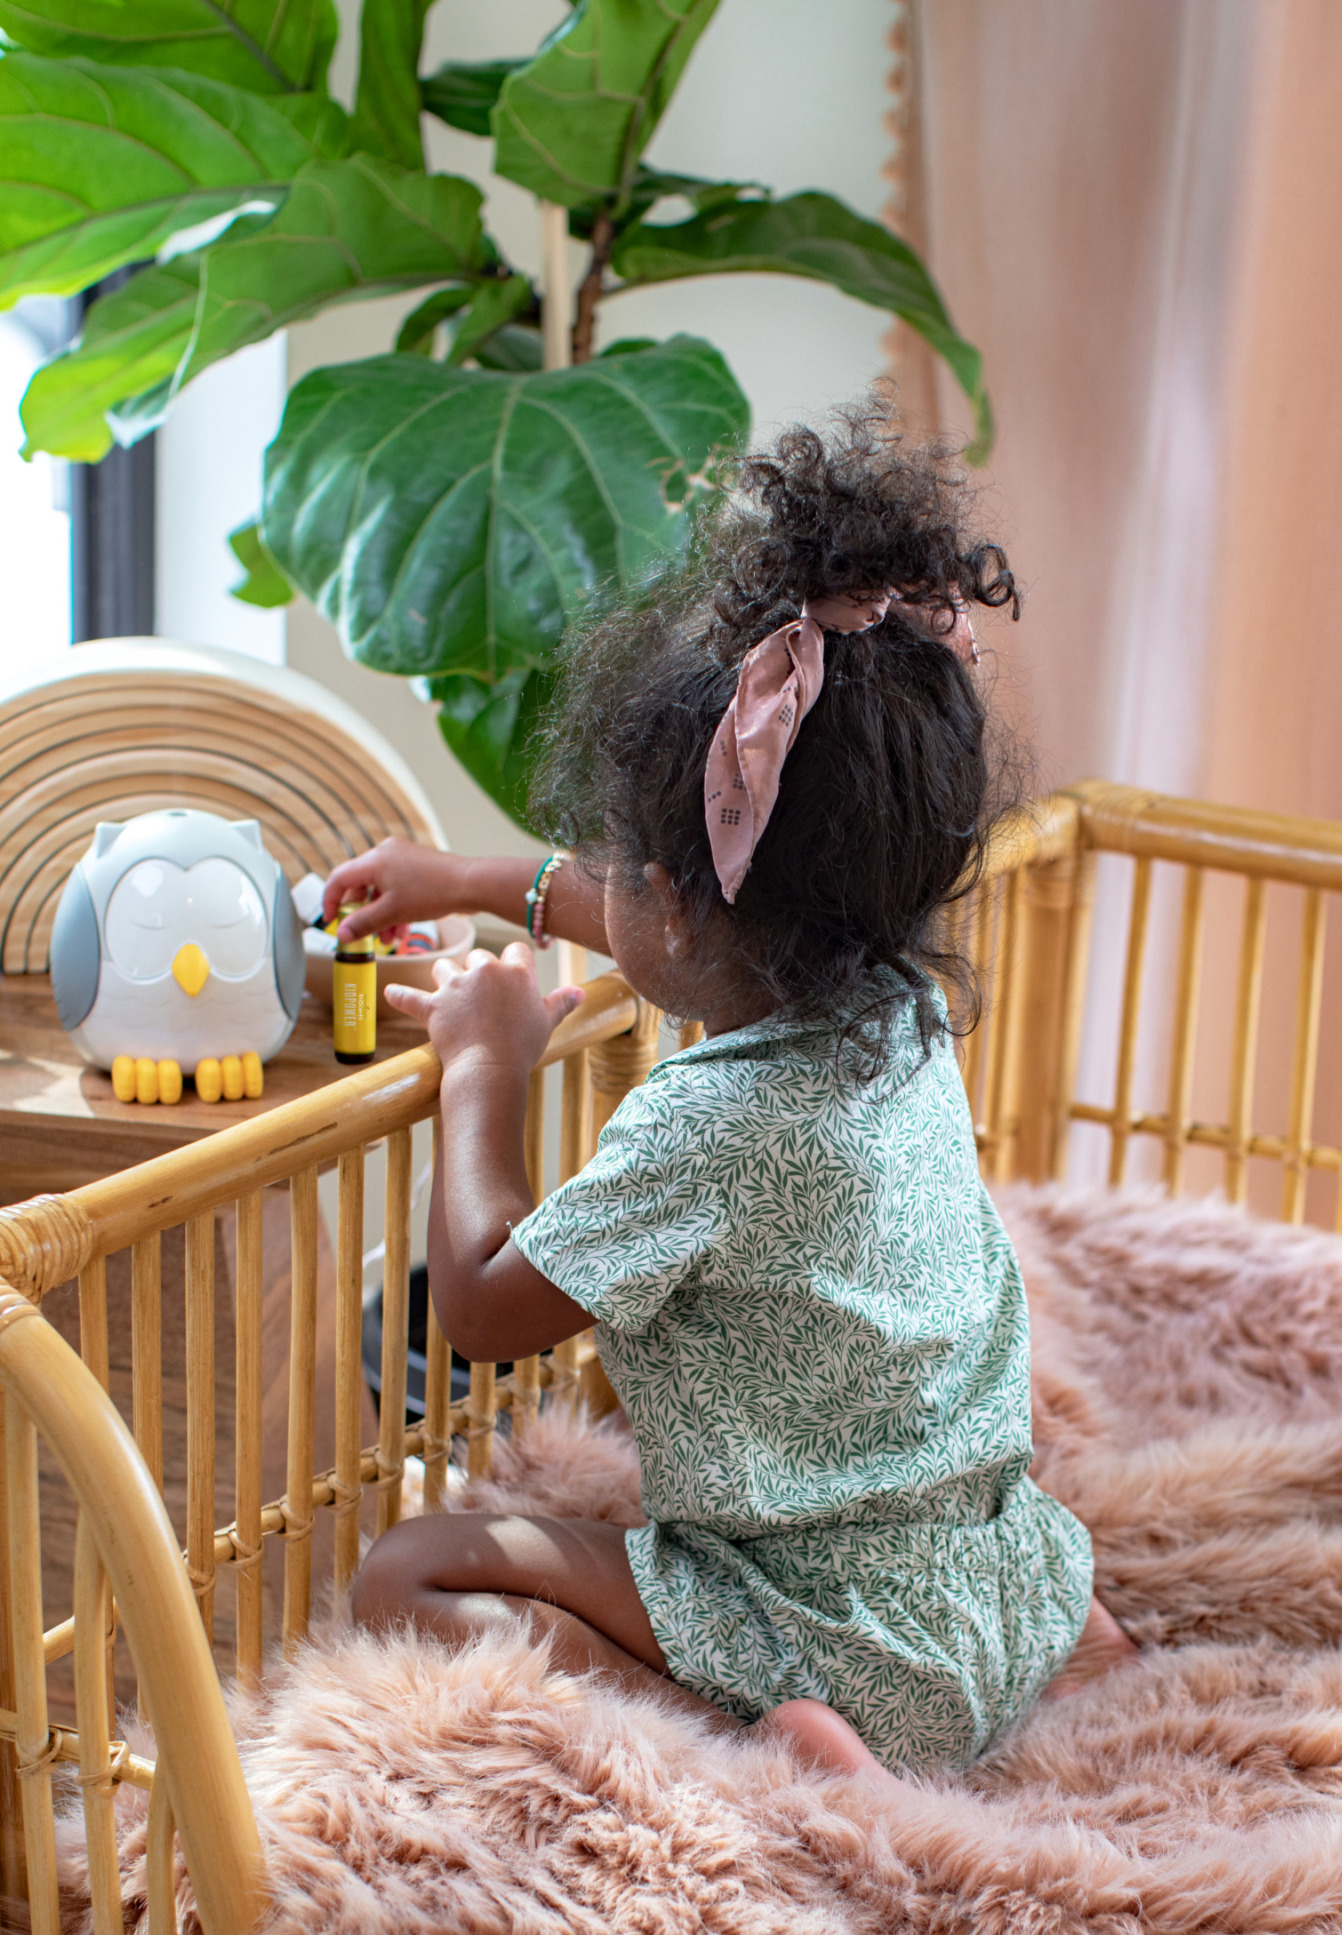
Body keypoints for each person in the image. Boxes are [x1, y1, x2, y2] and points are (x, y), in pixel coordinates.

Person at [335, 414, 1133, 1782]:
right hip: (1002, 1585)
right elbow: (703, 920)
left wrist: (486, 1065)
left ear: (686, 907)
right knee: (934, 1541)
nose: (608, 877)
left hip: (818, 1626)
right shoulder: (899, 1006)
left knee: (410, 1573)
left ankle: (758, 1742)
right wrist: (483, 882)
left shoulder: (708, 1128)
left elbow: (476, 1306)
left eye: (624, 862)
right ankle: (1047, 1663)